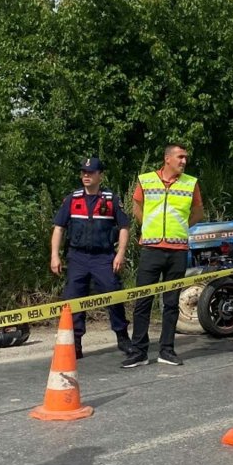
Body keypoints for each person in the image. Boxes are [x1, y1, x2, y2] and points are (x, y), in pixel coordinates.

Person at [124, 143, 204, 368]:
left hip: (177, 249)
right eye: (180, 157)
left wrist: (179, 227)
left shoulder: (191, 183)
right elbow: (137, 207)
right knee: (143, 301)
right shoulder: (146, 180)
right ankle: (139, 351)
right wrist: (150, 227)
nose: (184, 161)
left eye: (185, 158)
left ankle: (167, 350)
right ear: (167, 158)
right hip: (151, 247)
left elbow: (198, 212)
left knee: (171, 303)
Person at [50, 156, 132, 359]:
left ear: (100, 175)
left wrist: (120, 253)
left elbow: (124, 227)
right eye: (84, 173)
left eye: (91, 173)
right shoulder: (72, 199)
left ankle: (122, 337)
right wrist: (54, 256)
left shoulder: (111, 199)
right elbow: (58, 228)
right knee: (73, 300)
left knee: (114, 294)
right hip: (77, 257)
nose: (86, 176)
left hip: (103, 257)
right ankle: (75, 343)